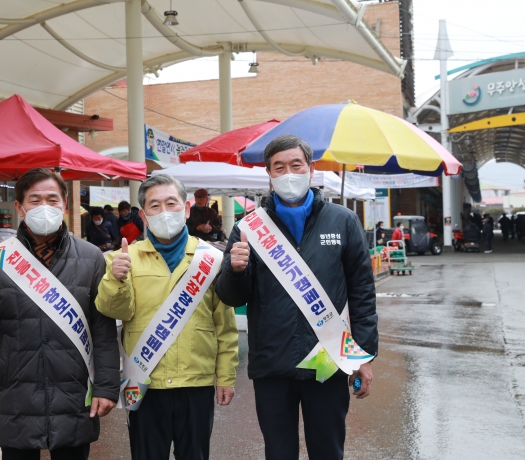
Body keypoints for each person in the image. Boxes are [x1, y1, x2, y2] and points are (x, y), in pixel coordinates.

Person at [215, 135, 377, 460]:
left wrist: (364, 357)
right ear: (270, 175)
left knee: (328, 451)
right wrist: (234, 270)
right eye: (279, 167)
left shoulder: (343, 221)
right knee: (278, 452)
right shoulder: (248, 228)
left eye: (295, 165)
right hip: (272, 365)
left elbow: (362, 293)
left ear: (310, 169)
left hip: (328, 361)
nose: (288, 173)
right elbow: (232, 297)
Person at [0, 168, 119, 460]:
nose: (44, 207)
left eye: (52, 199)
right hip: (17, 395)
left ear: (65, 205)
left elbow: (103, 330)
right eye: (35, 200)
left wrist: (108, 387)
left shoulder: (91, 258)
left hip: (73, 393)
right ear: (20, 207)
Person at [96, 174, 239, 460]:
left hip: (196, 383)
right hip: (142, 381)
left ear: (186, 209)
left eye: (171, 204)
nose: (164, 212)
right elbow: (113, 311)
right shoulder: (122, 259)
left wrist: (226, 376)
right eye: (155, 206)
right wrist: (117, 279)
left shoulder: (211, 258)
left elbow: (225, 325)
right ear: (143, 216)